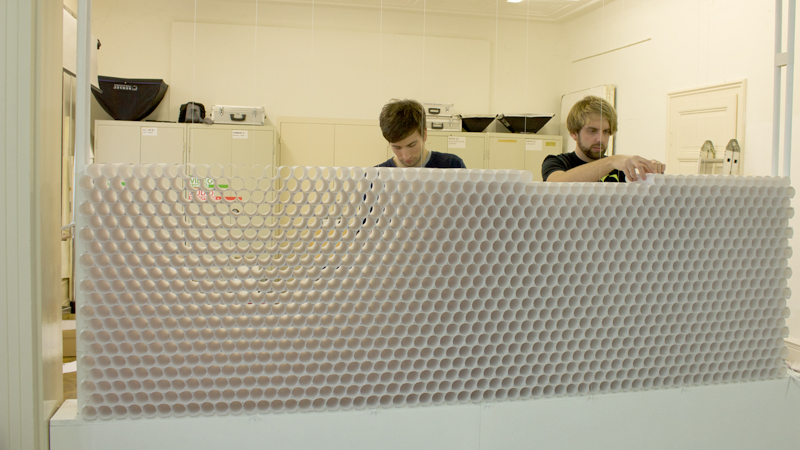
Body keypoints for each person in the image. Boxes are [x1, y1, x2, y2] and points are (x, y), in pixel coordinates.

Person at [542, 95, 665, 182]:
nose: (600, 139)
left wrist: (649, 178)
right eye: (592, 131)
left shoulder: (618, 169)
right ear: (574, 133)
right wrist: (611, 161)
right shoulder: (557, 162)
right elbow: (556, 184)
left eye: (606, 132)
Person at [376, 99, 466, 168]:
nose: (406, 156)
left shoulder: (452, 166)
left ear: (424, 134)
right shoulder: (377, 176)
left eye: (412, 145)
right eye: (397, 147)